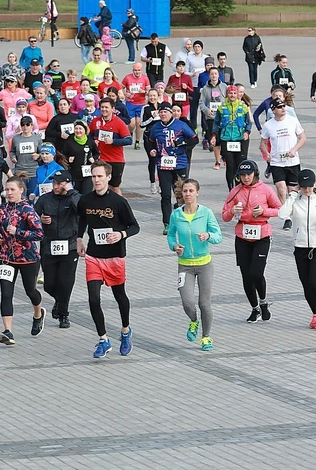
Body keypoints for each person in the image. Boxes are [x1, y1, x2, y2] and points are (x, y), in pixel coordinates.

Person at [76, 162, 139, 358]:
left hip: (115, 256)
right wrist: (79, 238)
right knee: (93, 299)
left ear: (108, 177)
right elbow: (82, 221)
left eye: (100, 177)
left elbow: (134, 226)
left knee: (120, 296)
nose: (96, 180)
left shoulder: (119, 202)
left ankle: (126, 331)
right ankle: (103, 339)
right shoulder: (85, 200)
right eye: (94, 176)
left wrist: (121, 235)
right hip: (94, 256)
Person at [277, 169, 316, 330]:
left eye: (309, 186)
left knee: (314, 282)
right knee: (305, 284)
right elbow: (282, 214)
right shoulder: (295, 200)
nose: (307, 190)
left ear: (314, 184)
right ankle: (314, 313)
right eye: (304, 187)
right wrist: (292, 195)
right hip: (301, 247)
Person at [221, 160, 280, 323]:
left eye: (248, 174)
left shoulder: (266, 190)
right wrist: (232, 211)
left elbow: (280, 209)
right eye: (242, 175)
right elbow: (224, 216)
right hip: (242, 236)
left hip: (262, 235)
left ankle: (263, 302)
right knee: (246, 276)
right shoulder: (235, 191)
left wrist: (264, 211)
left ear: (255, 174)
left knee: (256, 272)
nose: (245, 178)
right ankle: (254, 308)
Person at [167, 179, 221, 350]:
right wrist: (174, 246)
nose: (188, 194)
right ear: (181, 194)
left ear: (197, 192)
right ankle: (193, 321)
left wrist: (208, 236)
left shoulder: (206, 213)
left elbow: (218, 235)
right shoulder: (176, 214)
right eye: (185, 191)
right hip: (184, 266)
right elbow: (170, 236)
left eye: (191, 191)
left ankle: (206, 337)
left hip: (204, 264)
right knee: (187, 302)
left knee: (204, 303)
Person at [0, 175, 44, 344]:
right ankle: (8, 331)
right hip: (7, 257)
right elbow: (1, 230)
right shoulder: (2, 209)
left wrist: (19, 233)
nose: (9, 193)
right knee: (6, 294)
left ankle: (38, 313)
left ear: (21, 190)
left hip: (28, 258)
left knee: (31, 291)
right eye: (7, 190)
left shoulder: (27, 210)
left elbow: (39, 233)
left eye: (12, 190)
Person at [34, 170, 80, 328]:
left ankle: (64, 314)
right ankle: (60, 303)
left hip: (70, 246)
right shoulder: (45, 199)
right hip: (49, 246)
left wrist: (71, 192)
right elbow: (32, 217)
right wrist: (40, 219)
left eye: (59, 183)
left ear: (66, 184)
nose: (55, 186)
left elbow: (80, 209)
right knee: (49, 284)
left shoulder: (74, 197)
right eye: (54, 183)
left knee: (66, 283)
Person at [149, 103, 197, 234]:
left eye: (165, 112)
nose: (163, 114)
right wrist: (152, 150)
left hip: (179, 163)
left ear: (171, 113)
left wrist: (182, 143)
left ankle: (184, 220)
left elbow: (194, 139)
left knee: (182, 194)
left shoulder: (180, 125)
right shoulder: (156, 127)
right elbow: (151, 142)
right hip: (163, 164)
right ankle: (167, 223)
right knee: (165, 195)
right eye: (161, 112)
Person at [259, 98, 306, 229]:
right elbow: (262, 143)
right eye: (279, 107)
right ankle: (287, 217)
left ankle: (295, 214)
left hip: (292, 161)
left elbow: (303, 138)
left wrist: (294, 149)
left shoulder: (292, 121)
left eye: (284, 106)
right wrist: (266, 154)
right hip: (276, 162)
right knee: (281, 189)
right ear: (273, 110)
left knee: (293, 192)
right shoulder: (269, 125)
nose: (283, 109)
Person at [213, 86, 253, 190]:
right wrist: (213, 136)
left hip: (240, 139)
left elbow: (248, 122)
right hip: (226, 139)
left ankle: (240, 187)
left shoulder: (243, 107)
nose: (233, 95)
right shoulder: (221, 108)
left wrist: (247, 132)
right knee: (230, 166)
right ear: (227, 94)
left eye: (235, 93)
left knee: (240, 165)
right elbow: (216, 123)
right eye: (230, 93)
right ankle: (231, 189)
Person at [122, 63, 151, 149]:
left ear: (141, 70)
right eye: (135, 70)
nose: (137, 72)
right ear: (133, 70)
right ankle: (130, 132)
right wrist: (125, 94)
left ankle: (137, 141)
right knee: (131, 124)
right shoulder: (128, 78)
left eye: (139, 70)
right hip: (130, 103)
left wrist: (144, 92)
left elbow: (149, 91)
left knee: (139, 123)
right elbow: (121, 87)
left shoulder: (145, 78)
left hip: (141, 103)